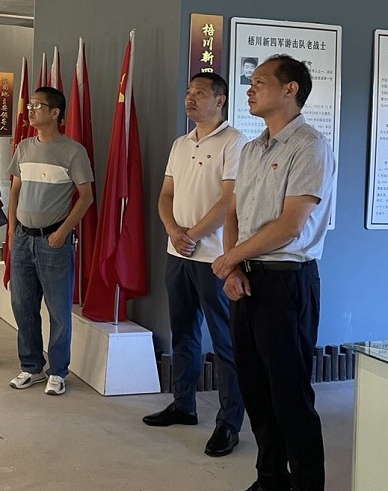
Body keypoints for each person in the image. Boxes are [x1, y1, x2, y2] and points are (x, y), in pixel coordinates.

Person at [211, 55, 336, 491]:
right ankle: (269, 479)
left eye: (260, 81)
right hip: (246, 279)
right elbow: (233, 213)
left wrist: (230, 258)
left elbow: (290, 226)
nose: (250, 88)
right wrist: (232, 265)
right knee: (256, 388)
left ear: (290, 89)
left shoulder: (310, 146)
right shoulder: (251, 149)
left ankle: (306, 484)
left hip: (287, 281)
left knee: (289, 393)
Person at [142, 73, 246, 457]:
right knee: (183, 332)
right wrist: (173, 231)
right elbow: (165, 195)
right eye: (188, 92)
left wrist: (194, 234)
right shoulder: (180, 143)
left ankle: (229, 423)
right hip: (178, 254)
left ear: (220, 100)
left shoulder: (234, 142)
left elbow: (229, 200)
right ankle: (184, 405)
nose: (190, 98)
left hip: (215, 258)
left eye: (199, 93)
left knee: (226, 341)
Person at [7, 87, 94, 395]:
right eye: (30, 104)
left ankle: (57, 371)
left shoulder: (73, 151)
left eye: (37, 105)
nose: (30, 110)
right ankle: (31, 366)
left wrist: (62, 232)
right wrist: (12, 231)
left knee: (58, 310)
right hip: (23, 239)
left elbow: (86, 196)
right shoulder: (24, 147)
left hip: (53, 240)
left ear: (55, 113)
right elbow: (15, 190)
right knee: (22, 305)